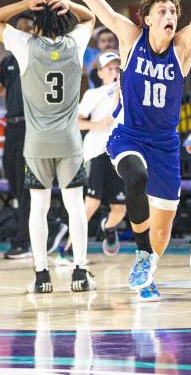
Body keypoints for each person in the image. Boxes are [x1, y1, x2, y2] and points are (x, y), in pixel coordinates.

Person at [28, 0, 191, 301]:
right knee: (134, 176)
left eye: (174, 10)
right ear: (148, 17)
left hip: (165, 144)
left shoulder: (183, 48)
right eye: (163, 10)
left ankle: (147, 267)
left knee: (163, 227)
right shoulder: (129, 37)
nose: (171, 14)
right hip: (128, 136)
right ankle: (139, 252)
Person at [0, 0, 97, 293]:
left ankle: (41, 274)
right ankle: (80, 272)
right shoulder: (75, 44)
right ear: (65, 21)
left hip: (36, 145)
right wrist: (70, 4)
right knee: (75, 207)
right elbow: (91, 17)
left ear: (36, 24)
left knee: (38, 208)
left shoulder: (25, 46)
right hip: (70, 142)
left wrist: (24, 4)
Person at [0, 12, 67, 259]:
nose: (22, 32)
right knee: (15, 180)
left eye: (27, 28)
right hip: (13, 126)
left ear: (37, 31)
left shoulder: (42, 55)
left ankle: (23, 241)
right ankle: (51, 224)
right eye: (18, 29)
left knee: (30, 183)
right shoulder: (8, 60)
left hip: (34, 124)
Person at [77, 51, 127, 257]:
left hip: (118, 151)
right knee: (92, 203)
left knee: (120, 209)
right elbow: (77, 122)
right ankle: (70, 249)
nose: (114, 72)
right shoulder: (93, 95)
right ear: (100, 73)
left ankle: (108, 227)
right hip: (96, 150)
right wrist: (98, 124)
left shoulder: (126, 89)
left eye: (117, 68)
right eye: (110, 69)